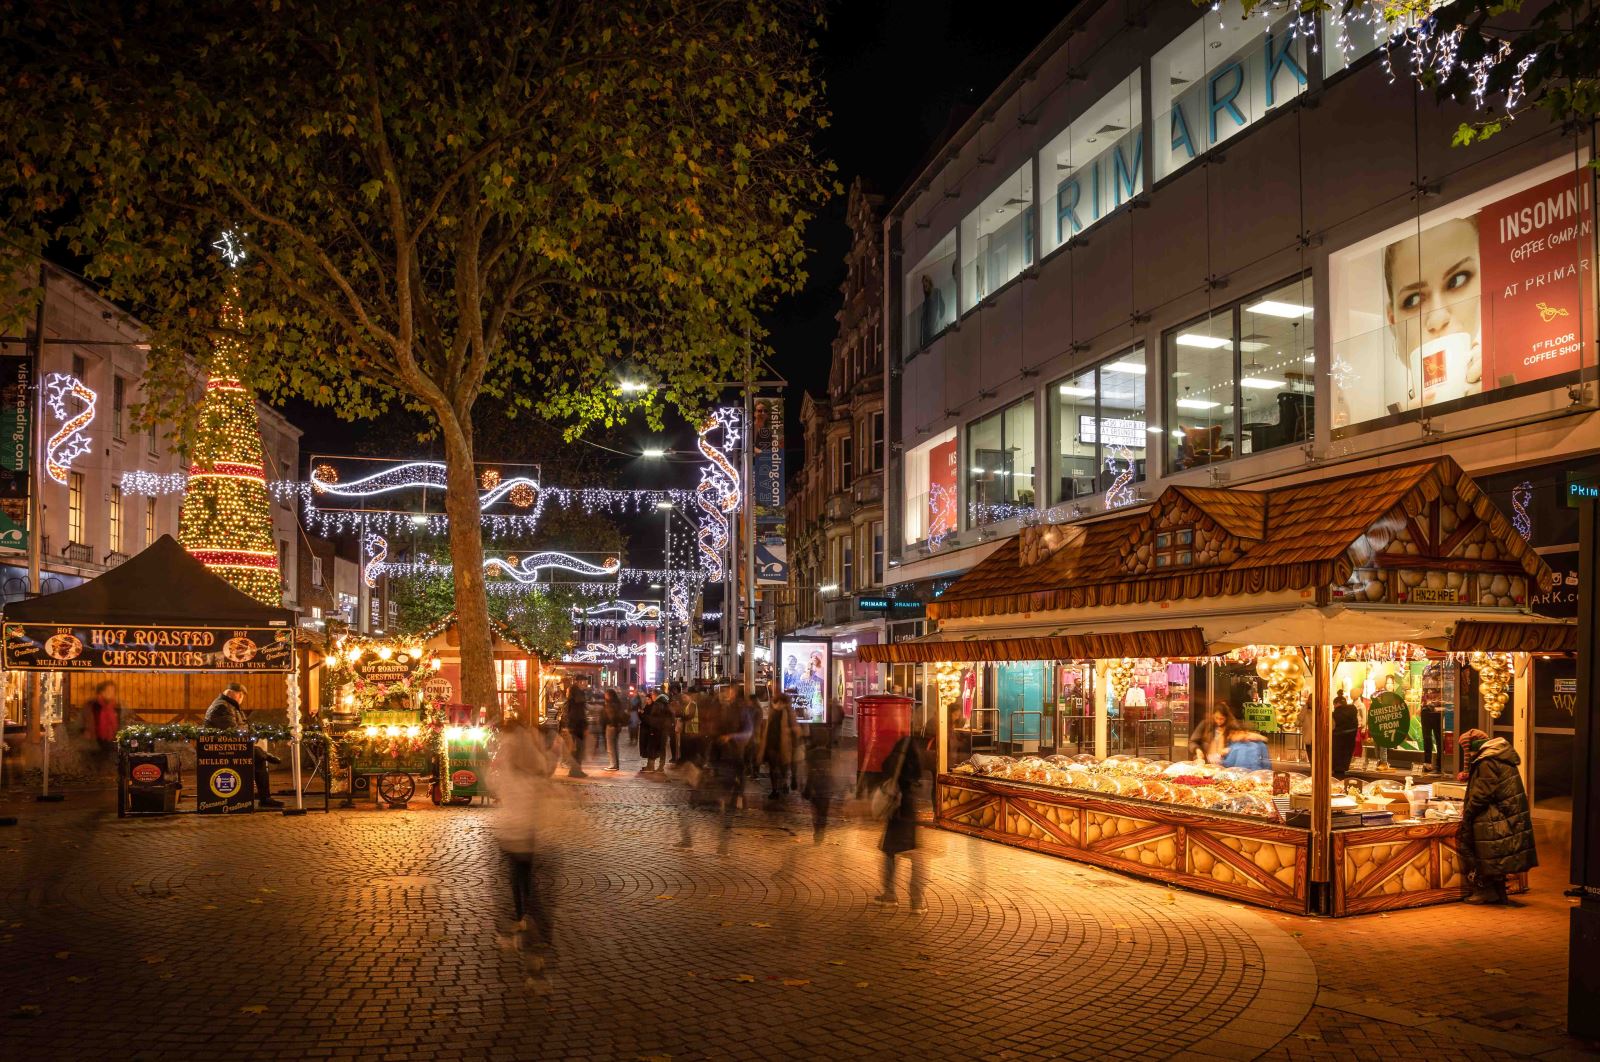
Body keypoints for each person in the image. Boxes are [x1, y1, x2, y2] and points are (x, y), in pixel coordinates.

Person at [488, 712, 564, 968]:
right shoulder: (529, 757)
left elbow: (492, 783)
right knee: (527, 881)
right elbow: (543, 772)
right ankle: (534, 930)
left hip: (510, 830)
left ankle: (522, 923)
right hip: (526, 830)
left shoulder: (507, 754)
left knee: (515, 881)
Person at [1458, 729, 1537, 905]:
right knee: (1496, 855)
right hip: (1504, 814)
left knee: (1480, 851)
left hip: (1494, 815)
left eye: (1468, 751)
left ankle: (1485, 891)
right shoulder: (1500, 755)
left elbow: (1482, 793)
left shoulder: (1487, 761)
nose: (1468, 755)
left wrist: (1468, 813)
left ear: (1475, 748)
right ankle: (1499, 892)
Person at [203, 682, 282, 809]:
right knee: (258, 756)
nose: (241, 699)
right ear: (233, 693)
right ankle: (265, 797)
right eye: (241, 696)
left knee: (258, 758)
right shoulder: (222, 707)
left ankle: (265, 797)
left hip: (229, 745)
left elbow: (242, 726)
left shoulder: (228, 705)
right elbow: (233, 732)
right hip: (222, 748)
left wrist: (250, 732)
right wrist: (248, 734)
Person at [874, 728, 926, 912]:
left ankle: (889, 895)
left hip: (896, 806)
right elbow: (920, 774)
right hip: (909, 805)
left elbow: (885, 766)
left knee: (890, 851)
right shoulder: (916, 748)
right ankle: (917, 902)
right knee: (916, 855)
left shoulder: (902, 745)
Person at [761, 692, 799, 800]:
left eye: (778, 701)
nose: (776, 703)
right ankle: (775, 789)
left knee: (783, 767)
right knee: (774, 768)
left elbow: (795, 728)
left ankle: (784, 785)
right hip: (773, 744)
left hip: (784, 745)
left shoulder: (787, 712)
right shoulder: (772, 712)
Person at [83, 680, 119, 769]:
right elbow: (86, 720)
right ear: (102, 692)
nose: (112, 693)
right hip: (95, 738)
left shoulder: (116, 705)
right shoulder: (93, 704)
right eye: (109, 690)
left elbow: (120, 720)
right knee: (97, 762)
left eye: (113, 691)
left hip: (111, 737)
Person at [561, 679, 589, 778]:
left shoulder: (572, 702)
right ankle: (575, 770)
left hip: (575, 727)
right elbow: (578, 715)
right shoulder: (577, 702)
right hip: (577, 727)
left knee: (576, 749)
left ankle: (575, 770)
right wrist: (584, 726)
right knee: (578, 749)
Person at [1331, 693, 1361, 778]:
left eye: (1334, 705)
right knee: (1342, 767)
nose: (1334, 707)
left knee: (1337, 769)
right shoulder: (1353, 711)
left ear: (1337, 703)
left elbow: (1331, 728)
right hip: (1349, 743)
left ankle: (1337, 784)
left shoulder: (1335, 714)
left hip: (1337, 745)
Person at [644, 692, 675, 773]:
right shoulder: (667, 705)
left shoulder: (657, 705)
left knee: (654, 747)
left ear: (656, 696)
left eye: (653, 695)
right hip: (665, 729)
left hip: (658, 729)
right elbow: (672, 717)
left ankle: (651, 766)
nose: (652, 697)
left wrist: (651, 727)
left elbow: (654, 718)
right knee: (662, 748)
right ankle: (661, 766)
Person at [601, 688, 625, 772]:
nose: (605, 696)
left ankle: (613, 765)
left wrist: (609, 722)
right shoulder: (617, 703)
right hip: (616, 727)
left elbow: (611, 716)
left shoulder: (610, 704)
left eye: (606, 694)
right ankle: (615, 764)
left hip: (611, 726)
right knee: (614, 746)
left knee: (610, 747)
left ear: (609, 695)